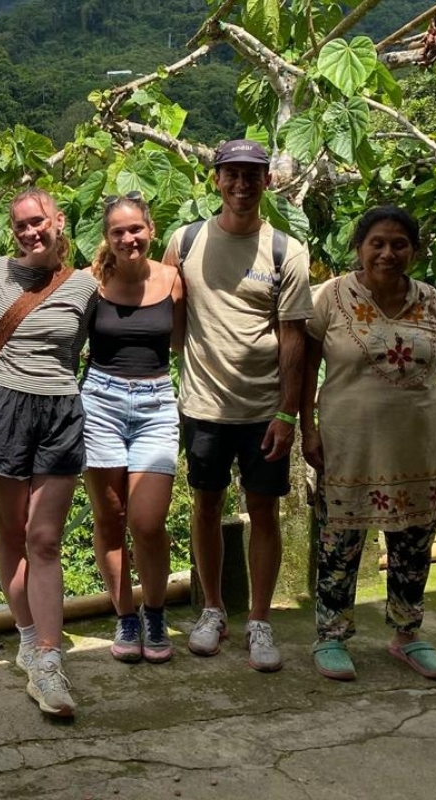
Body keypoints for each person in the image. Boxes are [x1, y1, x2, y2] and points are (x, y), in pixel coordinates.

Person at [165, 139, 312, 672]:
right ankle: (211, 609)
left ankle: (260, 620)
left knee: (264, 511)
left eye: (253, 176)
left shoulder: (287, 252)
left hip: (262, 412)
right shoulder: (183, 242)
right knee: (205, 507)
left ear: (267, 182)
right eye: (232, 175)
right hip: (202, 405)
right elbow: (172, 323)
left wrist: (288, 414)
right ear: (217, 180)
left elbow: (294, 340)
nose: (242, 186)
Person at [301, 206, 436, 682]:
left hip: (420, 444)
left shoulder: (431, 301)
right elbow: (305, 366)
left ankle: (408, 635)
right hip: (349, 443)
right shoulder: (330, 297)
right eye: (378, 243)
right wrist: (305, 426)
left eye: (399, 244)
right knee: (340, 542)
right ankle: (331, 635)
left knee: (414, 543)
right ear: (359, 248)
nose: (388, 253)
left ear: (414, 250)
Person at [0, 188, 98, 718]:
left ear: (58, 220)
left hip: (59, 410)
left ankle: (49, 660)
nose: (31, 233)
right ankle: (28, 635)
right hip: (1, 406)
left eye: (38, 222)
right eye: (21, 225)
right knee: (12, 532)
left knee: (43, 537)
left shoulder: (87, 284)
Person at [81, 192, 185, 666]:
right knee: (110, 516)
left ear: (151, 228)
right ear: (108, 238)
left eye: (135, 229)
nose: (129, 238)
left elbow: (182, 341)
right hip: (99, 399)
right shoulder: (90, 283)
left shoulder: (171, 280)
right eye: (118, 231)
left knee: (147, 521)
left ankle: (156, 611)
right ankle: (125, 614)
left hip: (157, 400)